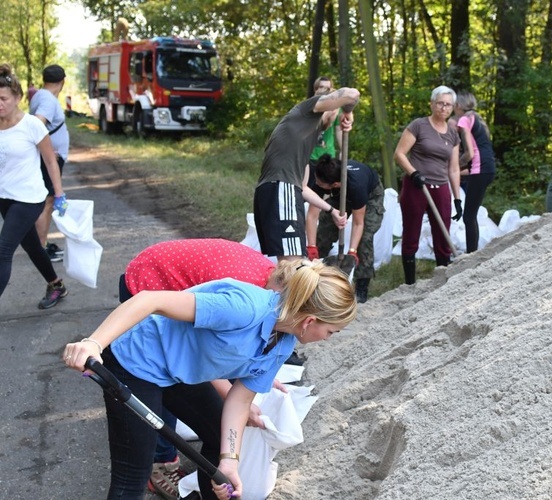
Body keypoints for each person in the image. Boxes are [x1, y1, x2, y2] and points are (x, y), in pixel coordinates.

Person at [63, 260, 357, 500]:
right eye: (331, 332)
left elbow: (240, 401)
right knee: (133, 476)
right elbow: (148, 300)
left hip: (181, 371)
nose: (327, 339)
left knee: (219, 436)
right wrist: (93, 343)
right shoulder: (244, 307)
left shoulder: (282, 344)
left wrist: (230, 459)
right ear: (309, 321)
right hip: (138, 363)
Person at [119, 238, 292, 500]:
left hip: (179, 296)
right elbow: (205, 351)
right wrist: (94, 343)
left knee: (210, 421)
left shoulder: (273, 303)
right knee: (152, 410)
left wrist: (257, 374)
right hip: (149, 281)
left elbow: (230, 351)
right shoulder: (247, 300)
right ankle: (162, 461)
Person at [254, 86, 360, 262]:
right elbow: (352, 94)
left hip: (275, 190)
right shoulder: (306, 111)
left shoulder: (303, 139)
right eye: (335, 109)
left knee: (287, 264)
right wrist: (348, 111)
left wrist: (331, 210)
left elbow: (303, 188)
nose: (335, 116)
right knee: (293, 262)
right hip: (281, 188)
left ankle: (284, 290)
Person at [0, 64, 69, 309]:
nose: (0, 103)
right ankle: (56, 285)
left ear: (17, 97)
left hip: (29, 198)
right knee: (33, 247)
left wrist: (58, 194)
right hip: (5, 198)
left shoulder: (32, 125)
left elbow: (51, 160)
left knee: (3, 250)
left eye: (3, 98)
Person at [393, 85, 462, 284]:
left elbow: (454, 168)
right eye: (440, 103)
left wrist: (457, 198)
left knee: (442, 235)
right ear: (432, 104)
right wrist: (414, 173)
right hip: (416, 186)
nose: (443, 108)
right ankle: (410, 283)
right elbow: (399, 153)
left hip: (440, 188)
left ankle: (443, 280)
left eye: (448, 104)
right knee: (412, 232)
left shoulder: (453, 134)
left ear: (452, 108)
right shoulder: (419, 125)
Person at [305, 154, 385, 303]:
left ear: (334, 184)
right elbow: (312, 215)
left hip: (370, 195)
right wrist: (311, 246)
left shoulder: (357, 186)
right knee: (325, 227)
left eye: (320, 184)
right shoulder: (321, 178)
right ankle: (315, 276)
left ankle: (361, 286)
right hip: (339, 193)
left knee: (365, 237)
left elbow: (358, 223)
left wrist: (352, 251)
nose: (316, 184)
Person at [30, 64, 69, 263]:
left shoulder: (40, 95)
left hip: (49, 157)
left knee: (46, 200)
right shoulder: (47, 99)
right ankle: (41, 248)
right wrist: (47, 148)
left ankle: (40, 244)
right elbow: (38, 122)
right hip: (49, 159)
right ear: (62, 82)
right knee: (47, 202)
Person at [454, 91, 496, 253]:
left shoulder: (464, 120)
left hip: (480, 169)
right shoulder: (477, 118)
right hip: (487, 168)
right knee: (471, 214)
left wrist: (453, 166)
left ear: (458, 106)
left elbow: (469, 154)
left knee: (469, 216)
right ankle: (472, 252)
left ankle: (471, 255)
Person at [309, 76, 342, 162]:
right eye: (321, 87)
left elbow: (338, 130)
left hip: (328, 155)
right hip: (310, 155)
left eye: (328, 88)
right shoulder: (308, 106)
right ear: (316, 89)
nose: (325, 90)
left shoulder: (335, 109)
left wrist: (343, 150)